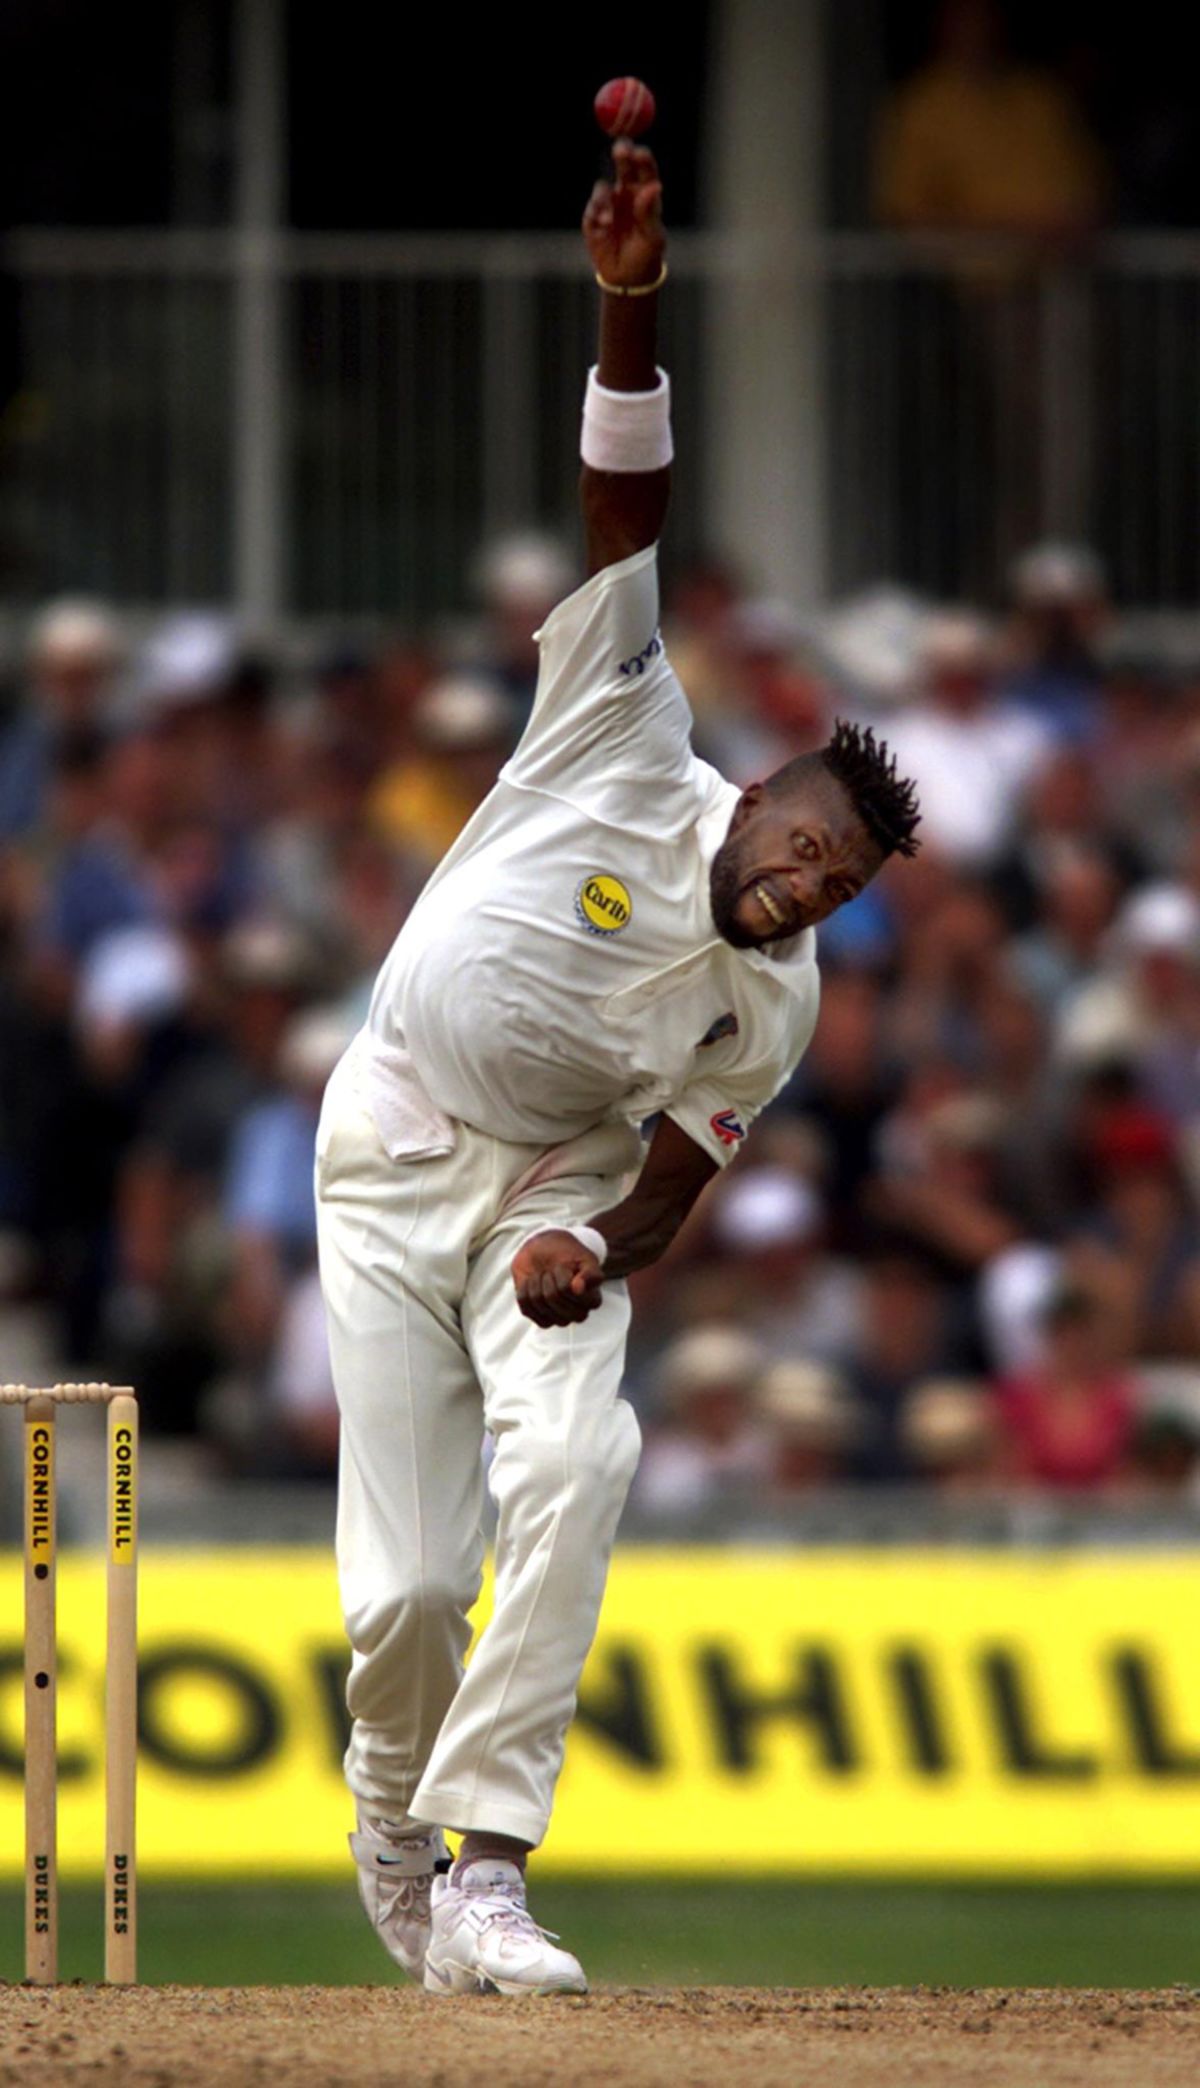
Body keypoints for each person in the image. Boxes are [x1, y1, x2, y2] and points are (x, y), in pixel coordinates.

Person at [314, 136, 921, 1998]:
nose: (800, 883)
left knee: (583, 1457)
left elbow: (676, 1177)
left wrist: (609, 1253)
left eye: (835, 881)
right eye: (800, 842)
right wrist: (629, 304)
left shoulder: (782, 1001)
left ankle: (491, 1869)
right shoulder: (622, 728)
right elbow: (620, 513)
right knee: (409, 1593)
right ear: (753, 796)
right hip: (391, 1150)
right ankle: (393, 1808)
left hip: (551, 1204)